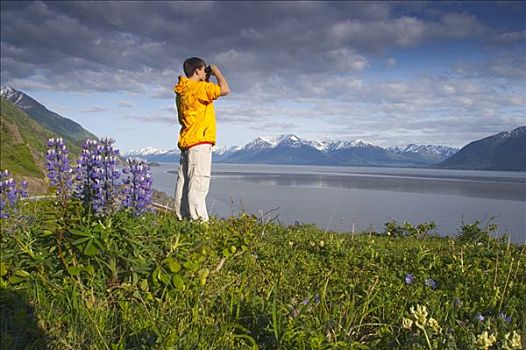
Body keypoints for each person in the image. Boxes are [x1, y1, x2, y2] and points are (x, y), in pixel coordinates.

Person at [173, 57, 230, 222]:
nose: (206, 72)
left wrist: (207, 78)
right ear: (197, 70)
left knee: (183, 185)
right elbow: (225, 89)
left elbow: (200, 100)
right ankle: (199, 226)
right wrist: (217, 72)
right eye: (204, 69)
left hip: (187, 142)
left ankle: (182, 220)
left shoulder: (182, 90)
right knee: (198, 184)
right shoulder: (200, 88)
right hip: (200, 143)